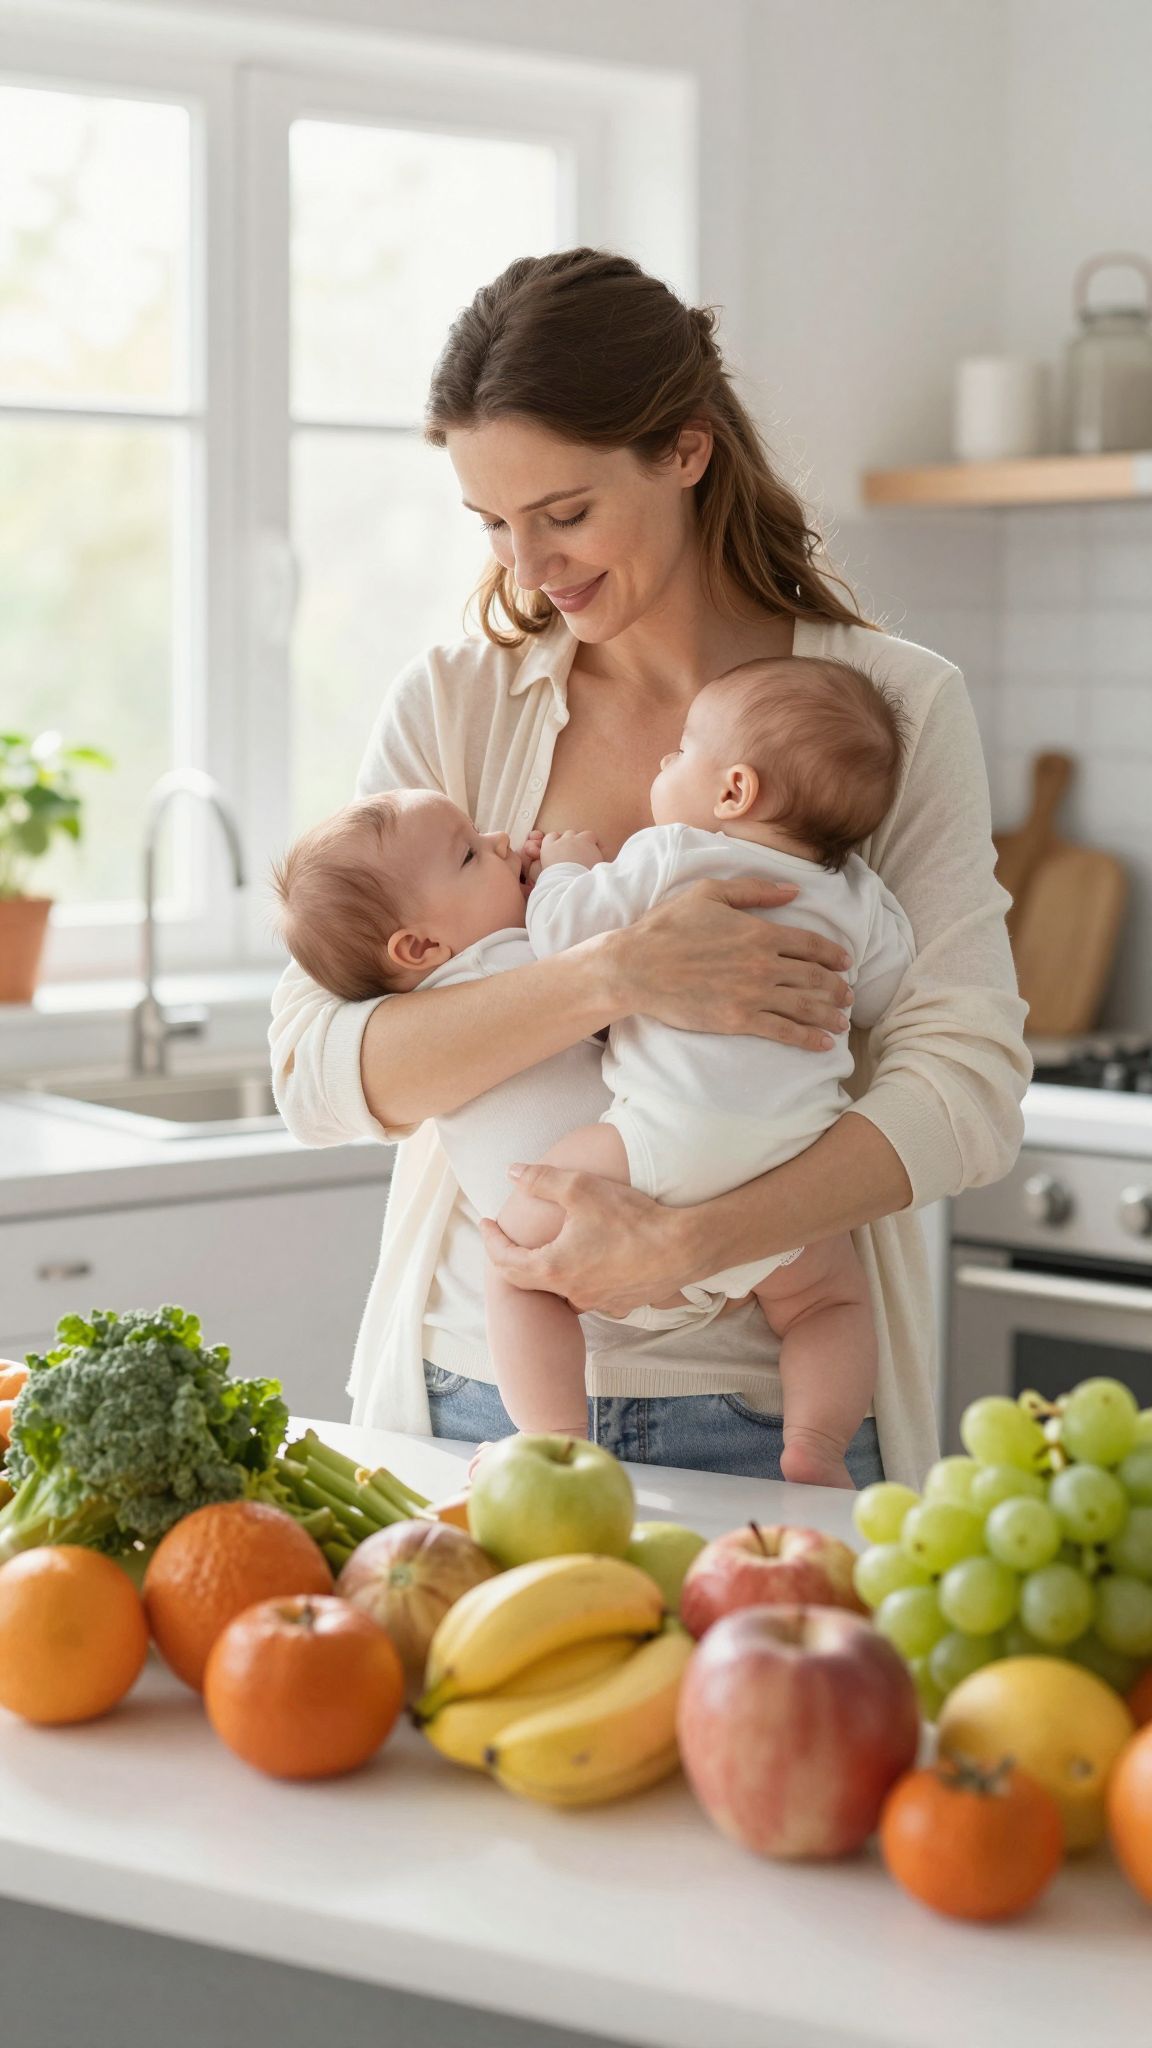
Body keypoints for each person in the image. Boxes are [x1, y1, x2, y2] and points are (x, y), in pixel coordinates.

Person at [269, 246, 1031, 1489]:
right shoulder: (456, 706)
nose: (527, 567)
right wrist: (614, 974)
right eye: (493, 524)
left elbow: (969, 1081)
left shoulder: (884, 706)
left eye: (564, 513)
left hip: (775, 1408)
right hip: (475, 1398)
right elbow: (314, 1072)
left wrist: (692, 1240)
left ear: (685, 450)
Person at [271, 653, 915, 1489]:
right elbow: (892, 993)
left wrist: (566, 875)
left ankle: (550, 1438)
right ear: (419, 945)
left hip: (648, 1155)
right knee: (830, 1300)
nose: (501, 839)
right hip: (790, 1159)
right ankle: (817, 1444)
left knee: (518, 1269)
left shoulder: (667, 855)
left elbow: (571, 927)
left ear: (734, 790)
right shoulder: (851, 886)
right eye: (470, 855)